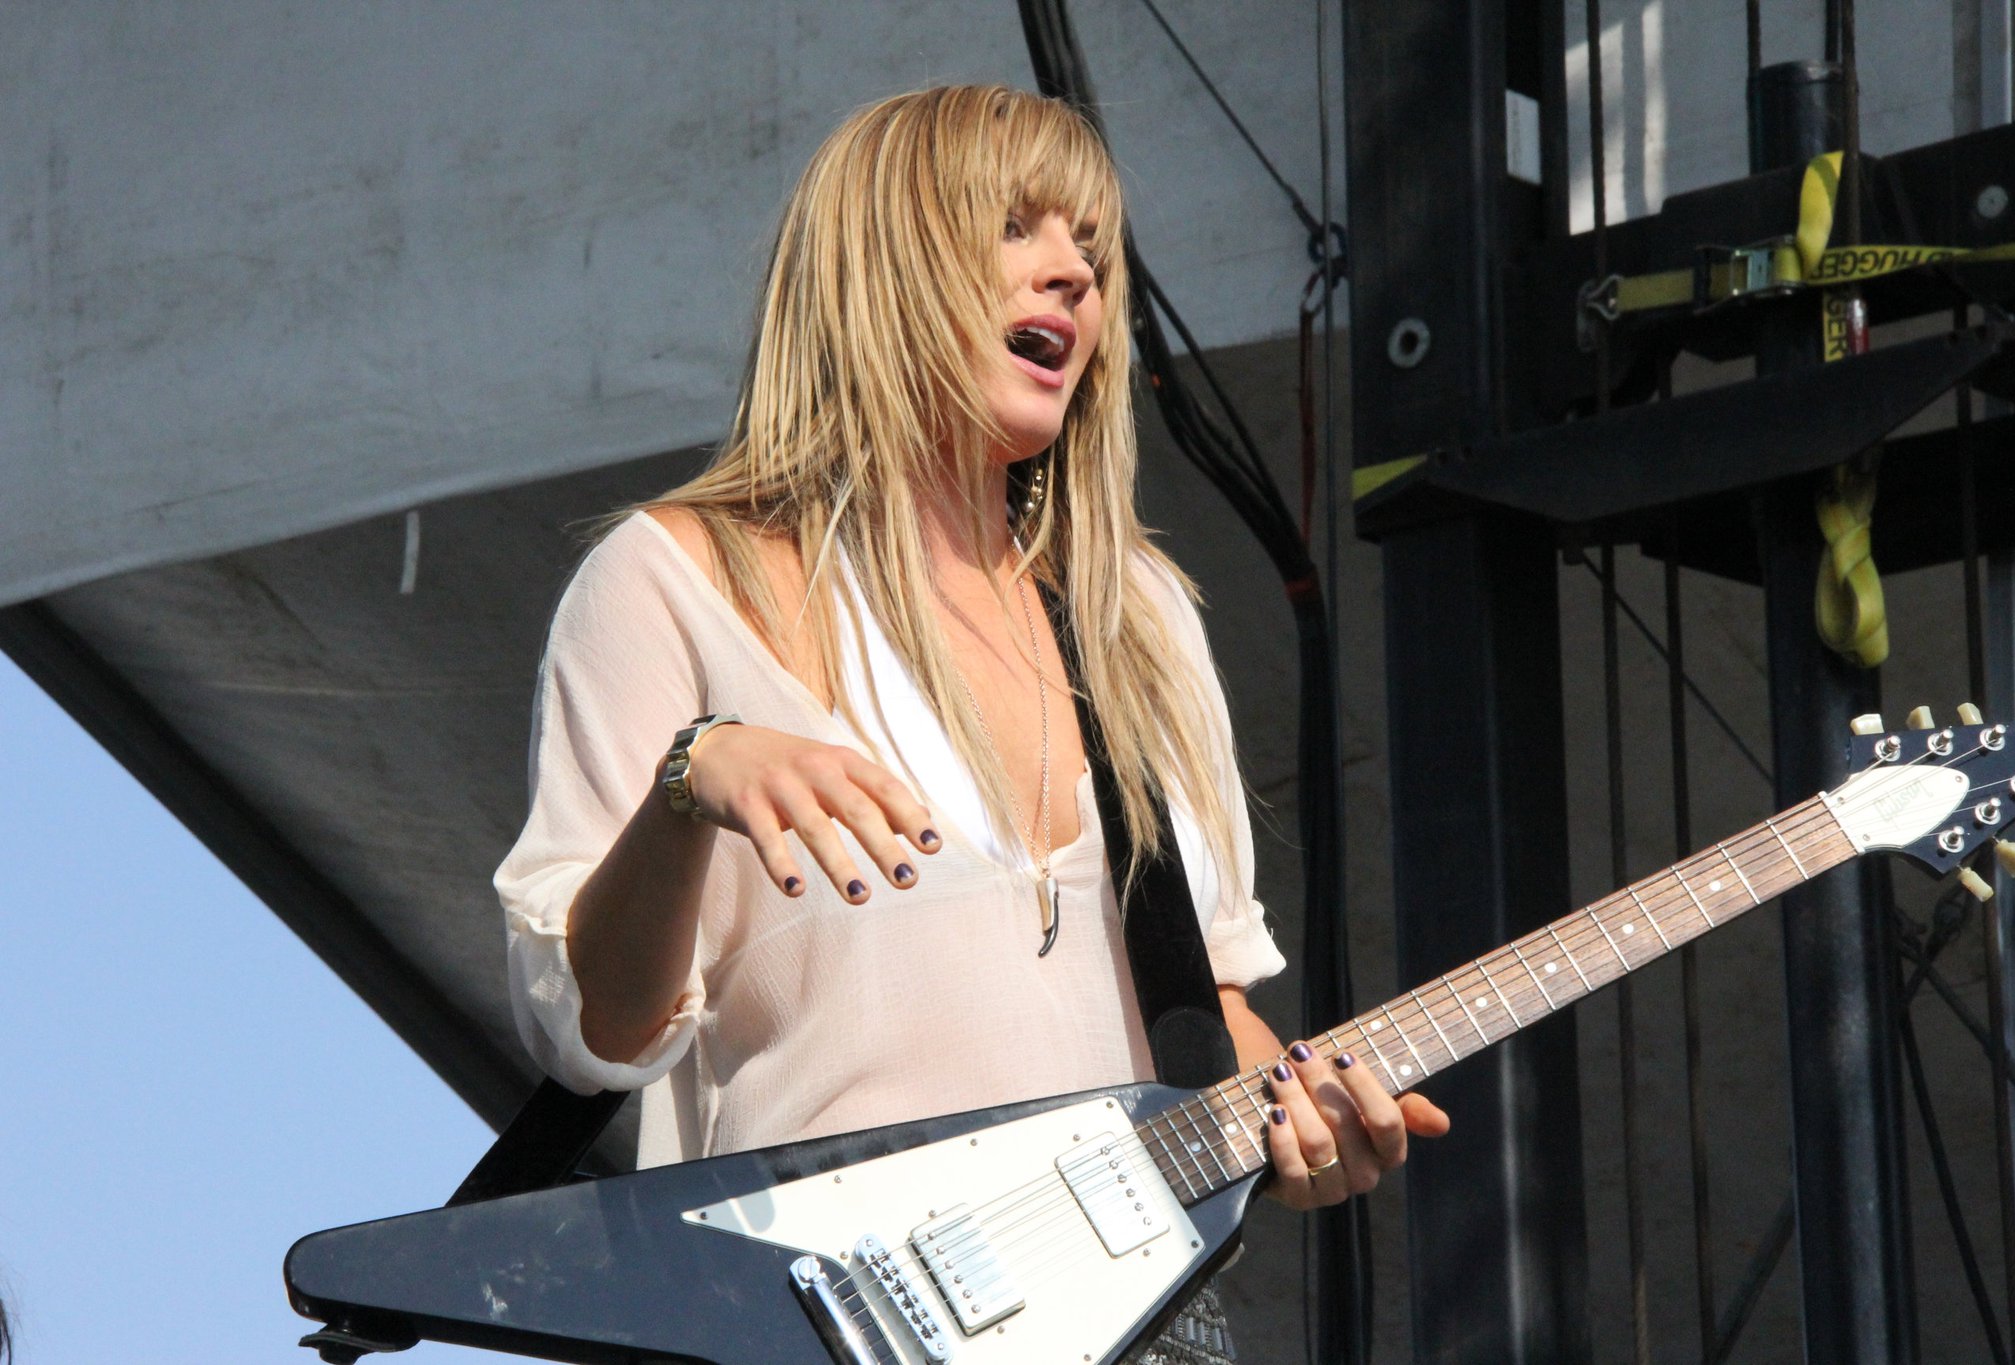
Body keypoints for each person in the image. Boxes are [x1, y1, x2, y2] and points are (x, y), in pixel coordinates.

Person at [495, 84, 1446, 1362]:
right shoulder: (674, 579)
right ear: (880, 264)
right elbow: (593, 1032)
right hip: (825, 1321)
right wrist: (689, 781)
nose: (1073, 275)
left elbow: (1197, 1006)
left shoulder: (1136, 617)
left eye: (1091, 251)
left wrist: (1305, 1121)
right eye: (1016, 228)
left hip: (1150, 1329)